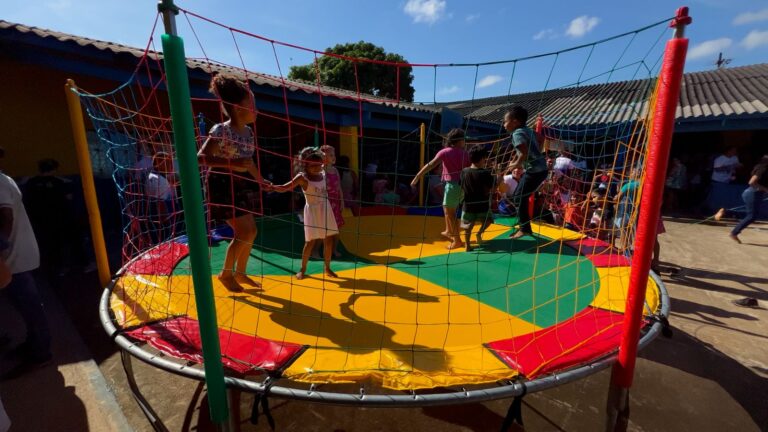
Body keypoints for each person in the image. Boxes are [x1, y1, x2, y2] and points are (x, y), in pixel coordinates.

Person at [198, 74, 271, 292]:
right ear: (238, 108)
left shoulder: (248, 133)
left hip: (241, 183)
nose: (256, 110)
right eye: (253, 105)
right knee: (245, 233)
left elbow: (247, 162)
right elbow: (201, 158)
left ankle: (240, 273)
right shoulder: (222, 130)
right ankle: (226, 274)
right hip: (221, 183)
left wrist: (260, 180)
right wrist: (232, 162)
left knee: (251, 232)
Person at [0, 167, 52, 378]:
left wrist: (0, 249)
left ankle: (41, 354)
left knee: (30, 307)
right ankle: (33, 344)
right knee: (25, 306)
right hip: (13, 255)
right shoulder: (5, 178)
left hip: (13, 256)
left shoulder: (0, 181)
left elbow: (6, 215)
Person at [272, 148, 339, 280]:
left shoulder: (323, 174)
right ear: (306, 165)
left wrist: (322, 153)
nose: (316, 168)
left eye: (318, 165)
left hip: (325, 209)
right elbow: (285, 187)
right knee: (310, 242)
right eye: (312, 165)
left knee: (329, 240)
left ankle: (327, 267)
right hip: (313, 211)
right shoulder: (302, 178)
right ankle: (302, 269)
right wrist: (272, 187)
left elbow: (327, 158)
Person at [411, 128, 470, 250]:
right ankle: (448, 230)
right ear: (459, 140)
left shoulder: (445, 152)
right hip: (464, 185)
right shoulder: (466, 153)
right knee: (446, 207)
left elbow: (431, 165)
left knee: (451, 213)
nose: (464, 142)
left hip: (452, 185)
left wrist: (417, 176)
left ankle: (457, 240)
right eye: (463, 139)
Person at [503, 106, 549, 239]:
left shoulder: (517, 133)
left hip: (534, 171)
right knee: (520, 195)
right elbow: (541, 139)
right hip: (541, 169)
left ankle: (525, 228)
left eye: (505, 121)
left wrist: (516, 164)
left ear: (515, 122)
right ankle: (524, 223)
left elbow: (523, 152)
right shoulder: (527, 130)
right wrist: (537, 153)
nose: (504, 125)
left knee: (518, 196)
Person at [460, 145, 506, 251]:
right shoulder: (485, 173)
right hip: (482, 204)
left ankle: (467, 245)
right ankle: (479, 233)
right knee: (489, 220)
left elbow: (461, 186)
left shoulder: (464, 171)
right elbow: (493, 189)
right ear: (482, 159)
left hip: (468, 204)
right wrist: (499, 176)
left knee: (468, 225)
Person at [728, 155, 768, 244]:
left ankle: (726, 212)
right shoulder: (763, 169)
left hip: (754, 193)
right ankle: (734, 232)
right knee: (751, 216)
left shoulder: (761, 168)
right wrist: (766, 189)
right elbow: (751, 182)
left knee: (751, 214)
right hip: (753, 193)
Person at [145, 152, 181, 242]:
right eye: (168, 163)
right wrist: (166, 223)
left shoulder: (153, 176)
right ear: (158, 164)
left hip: (157, 217)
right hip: (163, 219)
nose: (171, 166)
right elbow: (160, 203)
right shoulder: (159, 180)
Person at [320, 145, 344, 257]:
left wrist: (342, 201)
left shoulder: (335, 170)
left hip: (335, 202)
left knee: (337, 230)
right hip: (325, 202)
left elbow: (339, 187)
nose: (333, 157)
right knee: (324, 229)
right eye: (330, 155)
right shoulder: (321, 170)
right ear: (323, 156)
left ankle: (334, 249)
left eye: (334, 155)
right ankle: (318, 251)